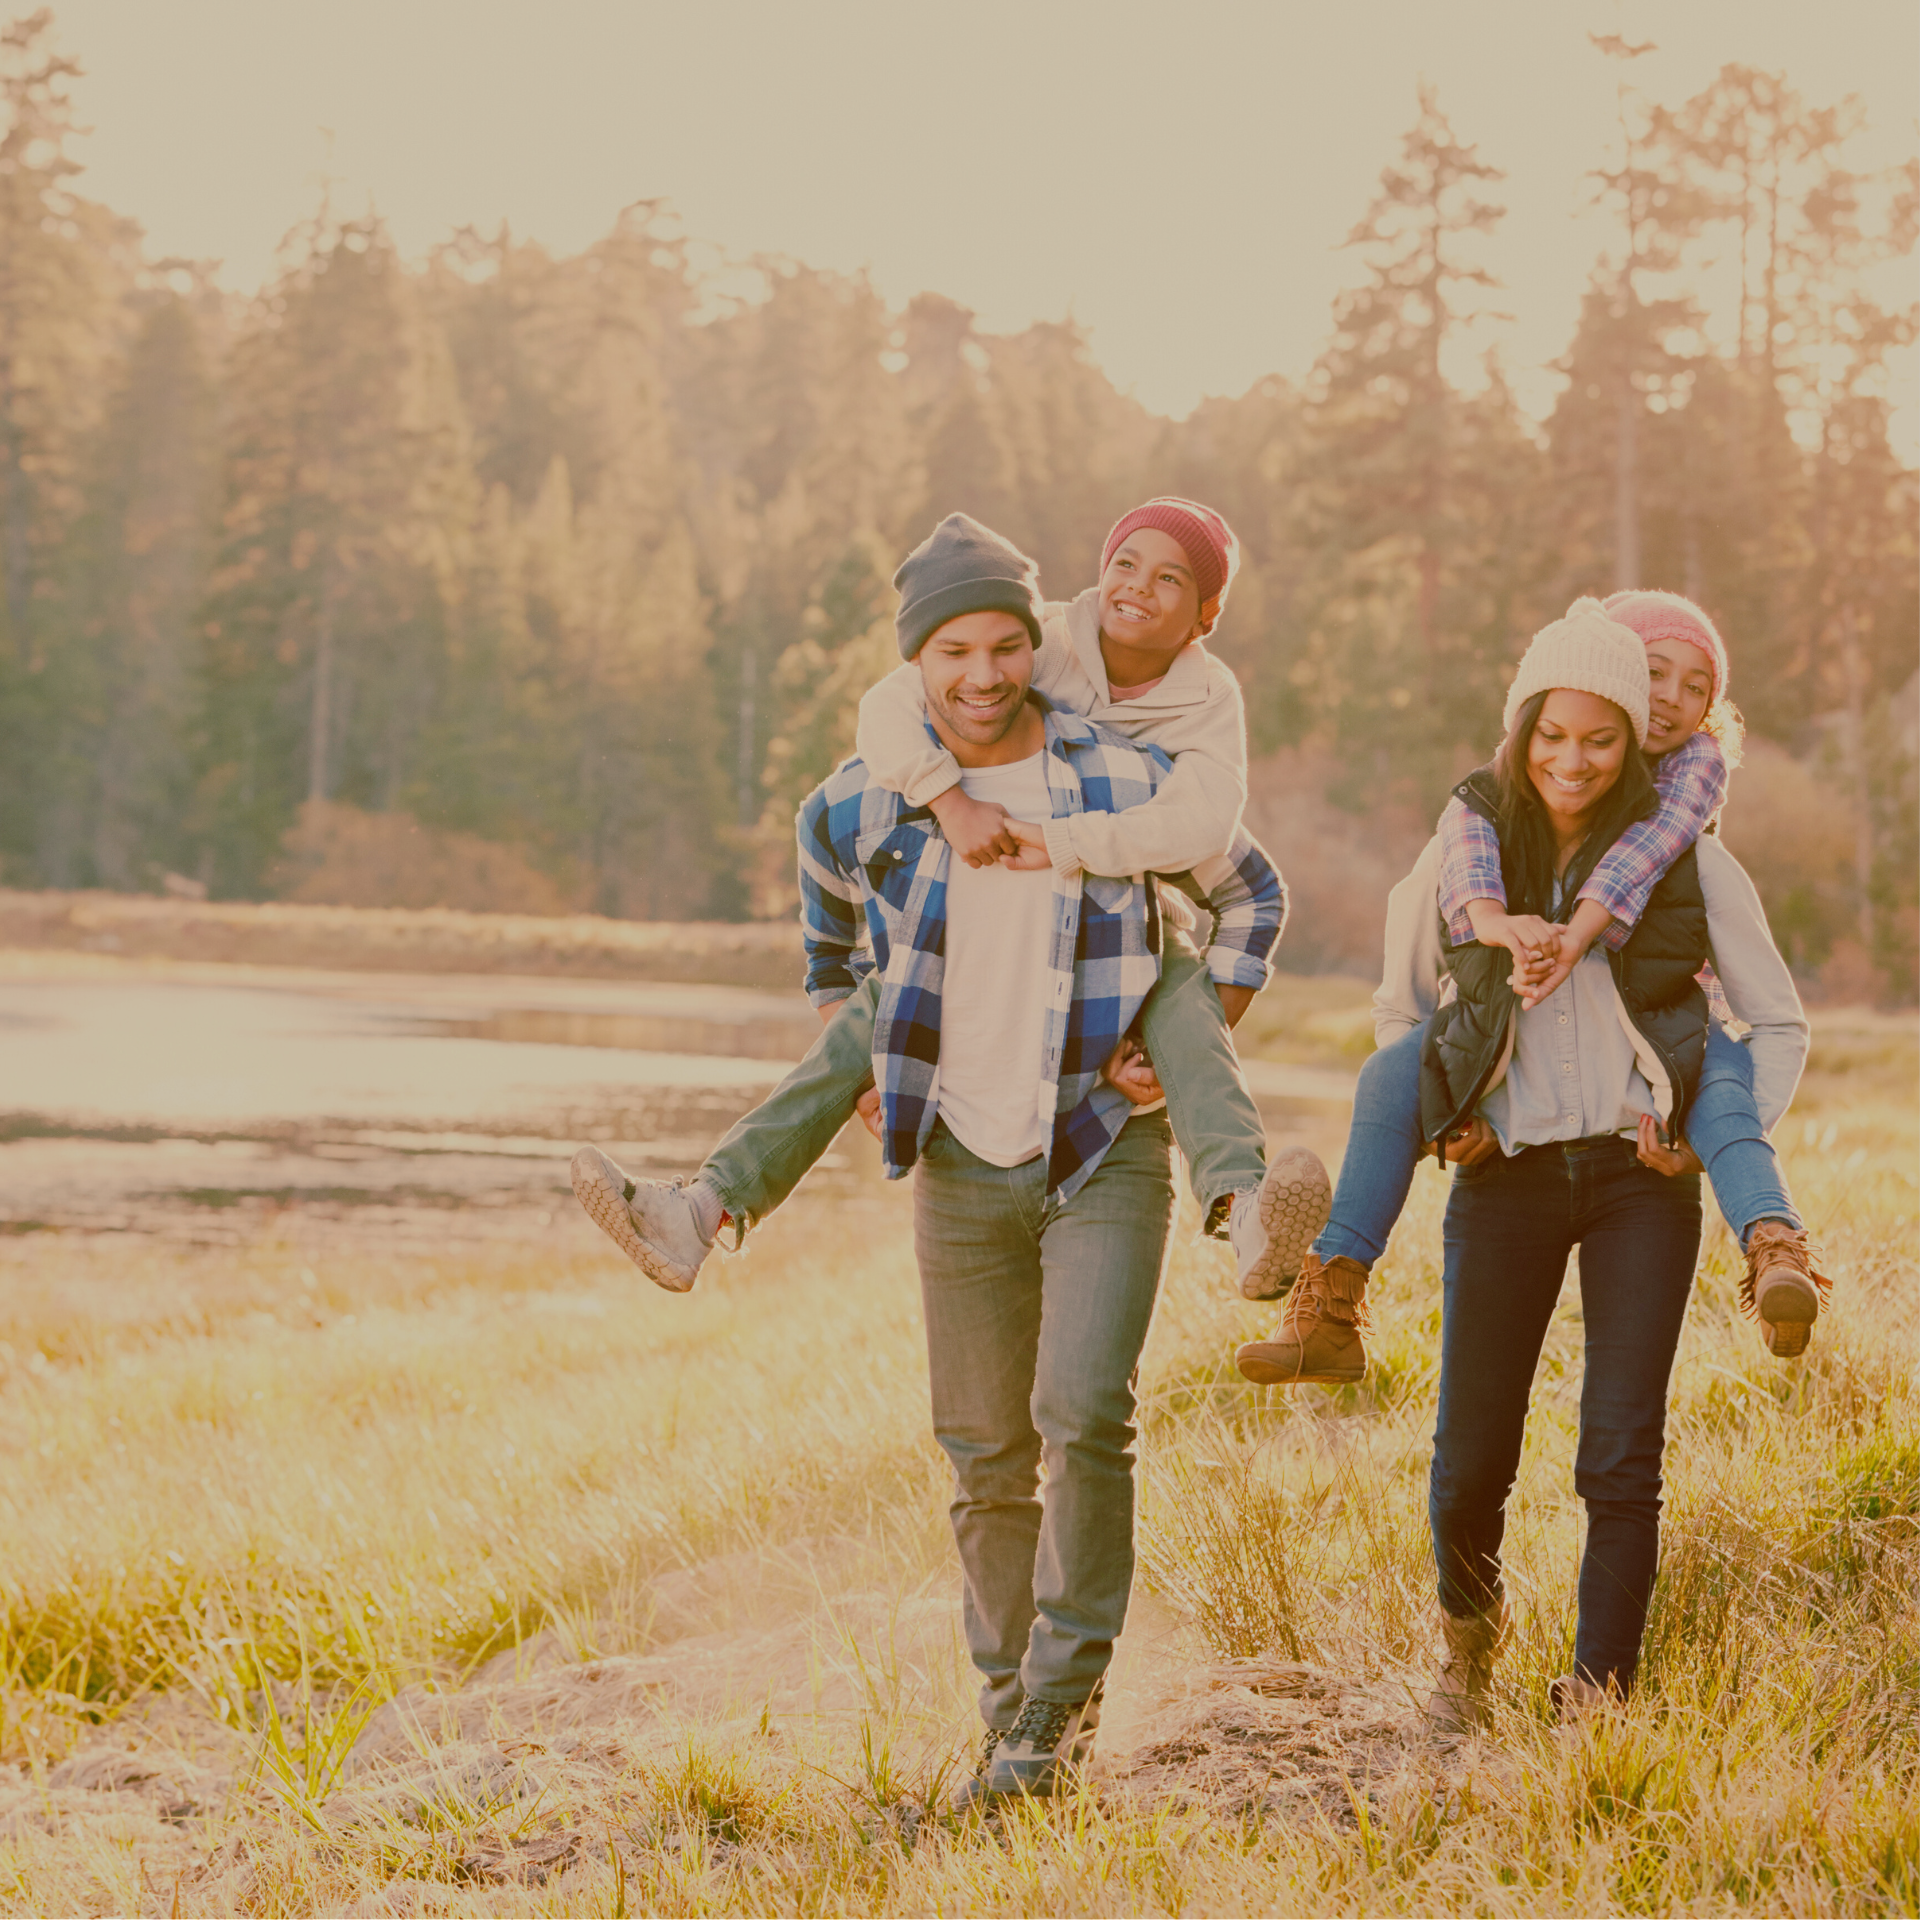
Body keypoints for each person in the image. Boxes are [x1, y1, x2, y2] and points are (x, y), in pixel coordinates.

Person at [707, 515, 1286, 1802]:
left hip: (1100, 1141)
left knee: (1083, 1415)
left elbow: (1252, 882)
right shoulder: (873, 789)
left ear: (1041, 648)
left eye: (1005, 645)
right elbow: (825, 916)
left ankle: (1062, 1702)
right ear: (915, 666)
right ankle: (1013, 1716)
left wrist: (1208, 1009)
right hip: (962, 1156)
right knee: (982, 1454)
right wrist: (852, 1043)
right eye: (952, 650)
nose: (981, 673)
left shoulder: (1122, 776)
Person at [571, 500, 1327, 1307]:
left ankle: (1242, 1208)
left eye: (1170, 577)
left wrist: (1173, 1038)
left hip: (1131, 926)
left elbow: (1218, 837)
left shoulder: (1201, 710)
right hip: (973, 923)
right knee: (883, 1002)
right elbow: (888, 708)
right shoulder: (1040, 637)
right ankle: (700, 1210)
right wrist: (947, 801)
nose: (986, 672)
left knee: (1180, 990)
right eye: (1126, 563)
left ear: (1205, 616)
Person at [1332, 602, 1808, 1729]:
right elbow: (1402, 1008)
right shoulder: (1469, 850)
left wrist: (1693, 1129)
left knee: (1620, 1452)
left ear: (1640, 727)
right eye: (1555, 736)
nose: (1576, 759)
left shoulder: (1689, 859)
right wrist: (1454, 1116)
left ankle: (1602, 1693)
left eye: (1603, 734)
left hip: (1641, 1186)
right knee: (1470, 1450)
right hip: (1503, 1178)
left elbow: (1773, 1023)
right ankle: (1467, 1656)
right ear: (1528, 727)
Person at [1237, 589, 1827, 1389]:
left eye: (1698, 688)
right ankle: (1331, 1296)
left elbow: (1656, 868)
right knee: (1388, 1073)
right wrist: (1451, 1106)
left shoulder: (1685, 809)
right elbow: (1410, 978)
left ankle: (1774, 1243)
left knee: (1721, 1080)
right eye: (1655, 674)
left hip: (1663, 1051)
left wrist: (1576, 935)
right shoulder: (1483, 812)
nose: (1674, 701)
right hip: (1507, 1121)